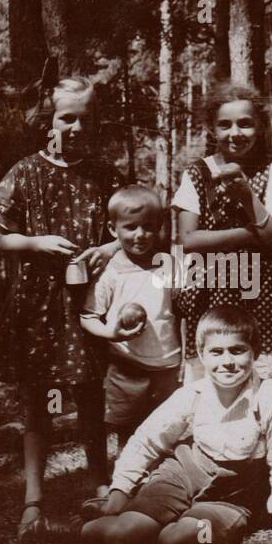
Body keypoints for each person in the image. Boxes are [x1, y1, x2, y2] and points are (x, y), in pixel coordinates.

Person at [0, 74, 121, 541]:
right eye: (67, 118)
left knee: (90, 399)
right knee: (37, 406)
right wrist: (37, 242)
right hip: (38, 304)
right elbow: (3, 236)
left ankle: (100, 486)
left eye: (85, 118)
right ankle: (33, 502)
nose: (76, 127)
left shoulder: (105, 175)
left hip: (88, 301)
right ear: (50, 120)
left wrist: (108, 250)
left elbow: (128, 231)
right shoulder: (25, 171)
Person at [81, 306, 272, 544]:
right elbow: (147, 439)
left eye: (237, 351)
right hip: (183, 474)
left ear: (255, 352)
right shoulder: (192, 393)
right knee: (121, 534)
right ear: (202, 355)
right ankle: (85, 524)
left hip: (233, 494)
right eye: (216, 352)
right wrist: (119, 491)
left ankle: (165, 523)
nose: (227, 362)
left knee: (180, 540)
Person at [172, 81, 272, 383]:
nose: (235, 133)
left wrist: (249, 199)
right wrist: (255, 234)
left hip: (262, 293)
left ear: (260, 127)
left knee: (263, 378)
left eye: (245, 124)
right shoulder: (198, 173)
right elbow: (189, 240)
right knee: (212, 378)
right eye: (224, 125)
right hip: (210, 291)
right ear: (212, 130)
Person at [80, 184, 181, 468]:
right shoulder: (110, 272)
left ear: (159, 226)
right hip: (126, 367)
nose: (140, 235)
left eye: (148, 227)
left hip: (167, 367)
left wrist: (187, 358)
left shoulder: (170, 264)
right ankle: (127, 482)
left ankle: (162, 482)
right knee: (128, 431)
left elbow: (183, 311)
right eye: (130, 227)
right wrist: (110, 332)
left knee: (167, 429)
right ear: (113, 229)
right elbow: (88, 316)